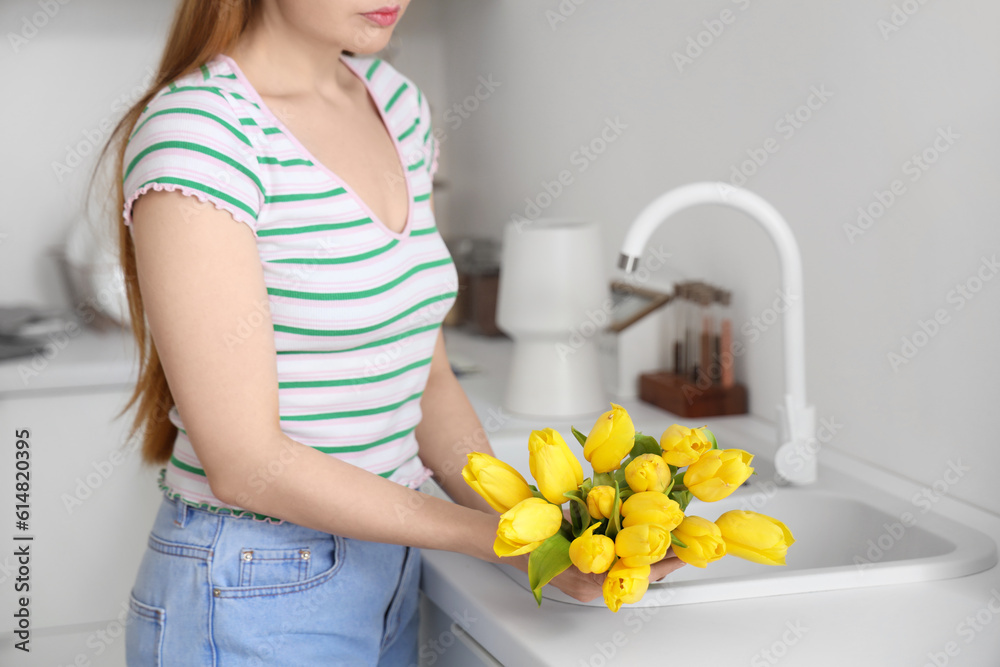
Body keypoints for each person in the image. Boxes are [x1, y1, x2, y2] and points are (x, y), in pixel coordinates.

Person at [103, 1, 685, 664]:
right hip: (252, 589)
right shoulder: (202, 132)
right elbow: (245, 465)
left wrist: (547, 525)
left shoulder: (395, 103)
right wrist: (489, 534)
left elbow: (426, 381)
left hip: (388, 569)